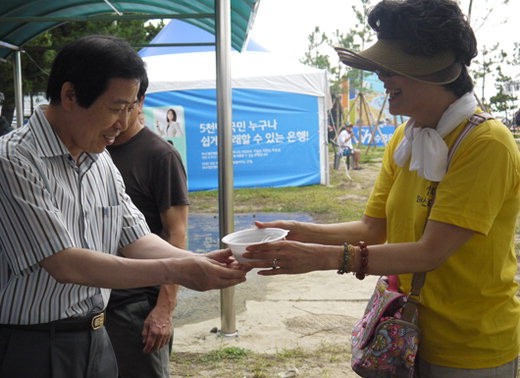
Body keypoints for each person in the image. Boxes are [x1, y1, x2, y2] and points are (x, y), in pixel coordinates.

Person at [242, 0, 520, 376]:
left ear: (435, 70)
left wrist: (325, 258)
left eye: (391, 70)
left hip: (469, 347)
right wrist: (302, 232)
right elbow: (373, 228)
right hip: (406, 331)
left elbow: (428, 253)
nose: (382, 80)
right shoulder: (407, 137)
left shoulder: (486, 143)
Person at [0, 35, 246, 378]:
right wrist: (178, 271)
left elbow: (136, 239)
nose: (123, 122)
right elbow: (65, 263)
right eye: (116, 108)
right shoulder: (13, 160)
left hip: (98, 339)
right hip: (35, 347)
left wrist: (199, 261)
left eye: (132, 108)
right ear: (70, 95)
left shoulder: (100, 161)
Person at [105, 72, 188, 377]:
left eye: (125, 106)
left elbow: (176, 234)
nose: (117, 117)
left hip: (137, 308)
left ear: (140, 102)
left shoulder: (160, 156)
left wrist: (165, 307)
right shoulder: (95, 149)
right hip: (94, 305)